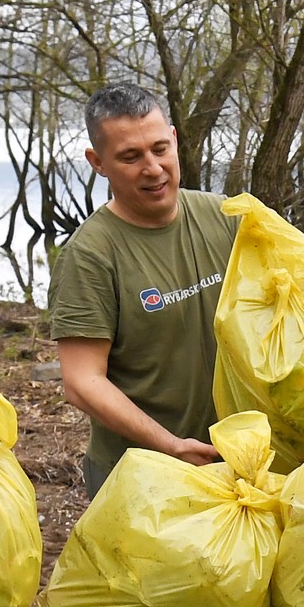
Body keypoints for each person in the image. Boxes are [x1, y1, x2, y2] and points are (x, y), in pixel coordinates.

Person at [51, 84, 235, 496]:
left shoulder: (226, 218)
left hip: (231, 462)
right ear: (98, 162)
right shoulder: (90, 255)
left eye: (159, 149)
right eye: (130, 157)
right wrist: (170, 446)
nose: (152, 168)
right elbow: (82, 381)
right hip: (137, 475)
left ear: (174, 139)